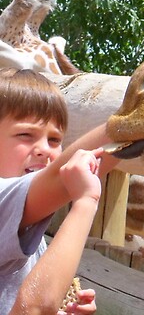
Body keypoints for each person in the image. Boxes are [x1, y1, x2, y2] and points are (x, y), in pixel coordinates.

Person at [0, 68, 118, 314]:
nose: (44, 149)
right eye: (25, 134)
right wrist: (86, 201)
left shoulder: (36, 240)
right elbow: (34, 308)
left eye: (54, 140)